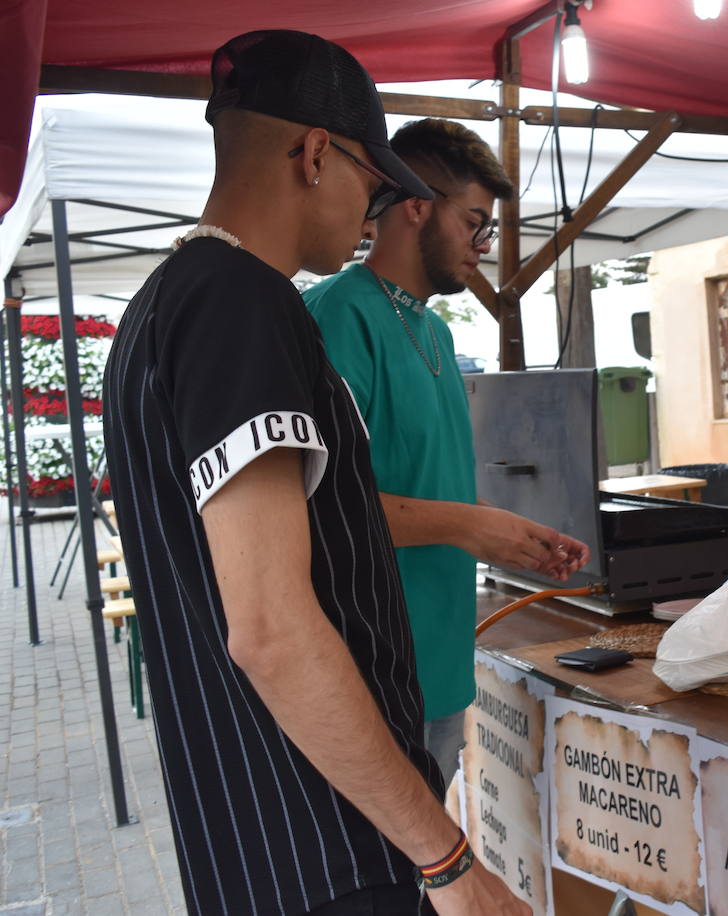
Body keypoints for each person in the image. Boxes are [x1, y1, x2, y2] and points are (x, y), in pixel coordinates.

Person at [102, 30, 526, 915]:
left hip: (255, 828)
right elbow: (271, 630)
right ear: (314, 153)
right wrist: (447, 860)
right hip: (317, 837)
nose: (370, 214)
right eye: (371, 186)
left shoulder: (161, 308)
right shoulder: (241, 305)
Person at [303, 118, 590, 786]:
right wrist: (473, 525)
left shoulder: (432, 329)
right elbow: (321, 505)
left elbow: (428, 487)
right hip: (369, 671)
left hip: (439, 664)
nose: (484, 245)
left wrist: (512, 533)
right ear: (415, 206)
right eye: (474, 223)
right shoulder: (340, 315)